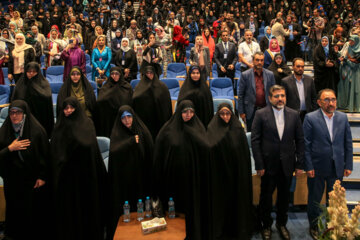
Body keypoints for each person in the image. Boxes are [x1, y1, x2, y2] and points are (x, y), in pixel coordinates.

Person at [252, 85, 304, 240]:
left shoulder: (294, 114)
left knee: (284, 197)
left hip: (287, 164)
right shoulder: (260, 114)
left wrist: (299, 164)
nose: (280, 98)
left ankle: (282, 224)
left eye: (282, 95)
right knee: (265, 197)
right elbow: (255, 141)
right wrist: (259, 164)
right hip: (268, 165)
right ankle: (266, 225)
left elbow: (300, 140)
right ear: (270, 98)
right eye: (277, 96)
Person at [51, 97, 107, 240]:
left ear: (77, 108)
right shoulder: (59, 127)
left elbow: (90, 148)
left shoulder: (87, 124)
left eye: (71, 107)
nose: (68, 111)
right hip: (67, 178)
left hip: (85, 176)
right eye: (65, 108)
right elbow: (56, 152)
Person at [153, 100, 210, 240]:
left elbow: (206, 150)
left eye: (191, 112)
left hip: (193, 181)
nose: (188, 115)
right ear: (179, 112)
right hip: (173, 181)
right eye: (185, 112)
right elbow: (159, 154)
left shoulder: (199, 128)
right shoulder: (168, 129)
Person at [303, 89, 353, 239]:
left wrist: (348, 164)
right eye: (327, 100)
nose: (331, 103)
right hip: (317, 167)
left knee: (335, 200)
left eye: (333, 99)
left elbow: (348, 143)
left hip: (336, 166)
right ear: (319, 102)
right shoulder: (310, 118)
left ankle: (331, 226)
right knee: (315, 199)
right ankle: (314, 226)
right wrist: (309, 166)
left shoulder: (343, 118)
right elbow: (306, 145)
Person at [0, 100, 51, 240]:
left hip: (32, 181)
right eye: (11, 112)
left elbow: (45, 156)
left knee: (32, 213)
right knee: (15, 212)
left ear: (25, 114)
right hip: (12, 181)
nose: (14, 116)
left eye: (18, 112)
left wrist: (42, 176)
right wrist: (10, 149)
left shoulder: (37, 131)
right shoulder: (4, 131)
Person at [207, 103, 253, 239]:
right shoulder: (211, 128)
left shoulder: (238, 129)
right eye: (222, 114)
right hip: (219, 177)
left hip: (236, 175)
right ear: (217, 114)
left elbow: (244, 155)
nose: (225, 117)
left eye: (228, 113)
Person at [107, 105, 153, 239]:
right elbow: (115, 151)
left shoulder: (141, 130)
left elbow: (149, 149)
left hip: (141, 174)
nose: (127, 120)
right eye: (123, 118)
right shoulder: (117, 133)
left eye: (129, 117)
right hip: (124, 178)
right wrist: (131, 141)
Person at [11, 62, 54, 137]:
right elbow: (15, 100)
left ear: (38, 72)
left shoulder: (44, 83)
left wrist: (33, 86)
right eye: (29, 71)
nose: (31, 73)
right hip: (24, 117)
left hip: (40, 116)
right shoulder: (20, 84)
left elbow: (47, 97)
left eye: (34, 72)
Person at [238, 52, 275, 132]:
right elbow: (241, 95)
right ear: (253, 61)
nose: (259, 62)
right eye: (257, 60)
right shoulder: (245, 75)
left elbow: (273, 93)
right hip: (251, 110)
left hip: (266, 109)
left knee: (266, 133)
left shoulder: (270, 74)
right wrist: (241, 112)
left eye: (261, 60)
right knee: (252, 134)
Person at [133, 66, 172, 140]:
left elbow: (167, 106)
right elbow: (135, 100)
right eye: (147, 73)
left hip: (159, 121)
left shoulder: (162, 87)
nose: (149, 75)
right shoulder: (139, 87)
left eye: (151, 73)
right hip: (145, 122)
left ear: (155, 74)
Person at [95, 67, 133, 137]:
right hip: (110, 117)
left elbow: (130, 102)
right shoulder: (105, 87)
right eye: (112, 74)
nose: (114, 76)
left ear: (120, 75)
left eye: (117, 74)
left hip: (123, 117)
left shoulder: (127, 87)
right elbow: (100, 101)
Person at [338, 35, 360, 112]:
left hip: (355, 74)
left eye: (352, 41)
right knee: (346, 90)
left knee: (355, 91)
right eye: (350, 40)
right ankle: (346, 105)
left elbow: (355, 65)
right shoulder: (348, 48)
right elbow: (342, 56)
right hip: (346, 73)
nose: (350, 42)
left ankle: (354, 107)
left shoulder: (358, 51)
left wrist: (346, 60)